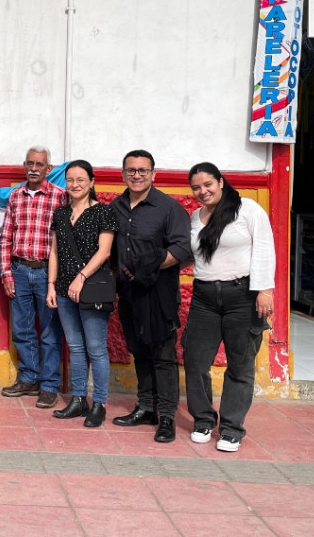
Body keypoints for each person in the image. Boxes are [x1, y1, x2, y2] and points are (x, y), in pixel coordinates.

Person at [183, 162, 275, 453]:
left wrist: (264, 289)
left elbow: (264, 247)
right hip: (204, 297)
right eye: (196, 187)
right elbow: (190, 256)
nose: (202, 191)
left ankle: (232, 428)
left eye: (207, 184)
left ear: (221, 181)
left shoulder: (247, 209)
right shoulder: (196, 217)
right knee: (195, 360)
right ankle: (203, 419)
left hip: (242, 296)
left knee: (240, 364)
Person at [111, 149, 192, 443]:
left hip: (158, 292)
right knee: (139, 350)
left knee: (163, 355)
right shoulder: (116, 207)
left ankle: (167, 416)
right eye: (131, 170)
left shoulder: (168, 208)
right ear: (123, 174)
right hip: (129, 292)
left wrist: (148, 267)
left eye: (142, 170)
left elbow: (183, 249)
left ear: (153, 174)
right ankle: (146, 407)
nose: (136, 175)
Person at [47, 160, 118, 428]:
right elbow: (54, 251)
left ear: (91, 182)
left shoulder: (103, 212)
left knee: (96, 348)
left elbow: (105, 252)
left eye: (80, 179)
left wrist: (80, 278)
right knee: (75, 347)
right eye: (70, 180)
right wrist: (51, 285)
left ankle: (99, 402)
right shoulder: (61, 214)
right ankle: (79, 399)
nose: (75, 185)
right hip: (64, 289)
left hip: (92, 288)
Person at [0, 146, 67, 409]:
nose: (34, 168)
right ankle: (29, 378)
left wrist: (58, 277)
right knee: (22, 329)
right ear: (24, 165)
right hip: (19, 270)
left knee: (50, 331)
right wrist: (6, 273)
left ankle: (49, 385)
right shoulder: (15, 196)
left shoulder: (60, 197)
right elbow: (6, 237)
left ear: (49, 169)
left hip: (47, 273)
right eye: (29, 163)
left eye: (40, 164)